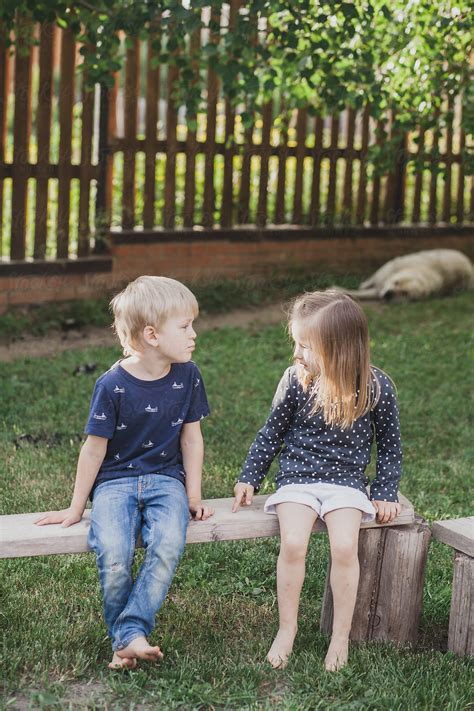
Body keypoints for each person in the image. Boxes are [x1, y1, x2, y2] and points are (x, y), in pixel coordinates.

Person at [36, 276, 213, 669]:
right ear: (151, 335)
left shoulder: (188, 376)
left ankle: (127, 635)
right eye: (184, 327)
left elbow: (192, 440)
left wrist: (194, 496)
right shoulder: (112, 384)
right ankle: (129, 639)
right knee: (114, 552)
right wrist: (75, 507)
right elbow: (94, 448)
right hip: (115, 485)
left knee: (167, 542)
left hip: (167, 481)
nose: (193, 335)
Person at [232, 290, 402, 672]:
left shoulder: (376, 387)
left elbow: (390, 447)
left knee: (344, 548)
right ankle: (287, 629)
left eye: (305, 345)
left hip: (347, 484)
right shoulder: (296, 379)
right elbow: (271, 432)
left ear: (339, 349)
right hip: (298, 479)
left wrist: (386, 491)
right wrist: (250, 477)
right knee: (293, 543)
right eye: (296, 342)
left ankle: (340, 636)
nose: (297, 353)